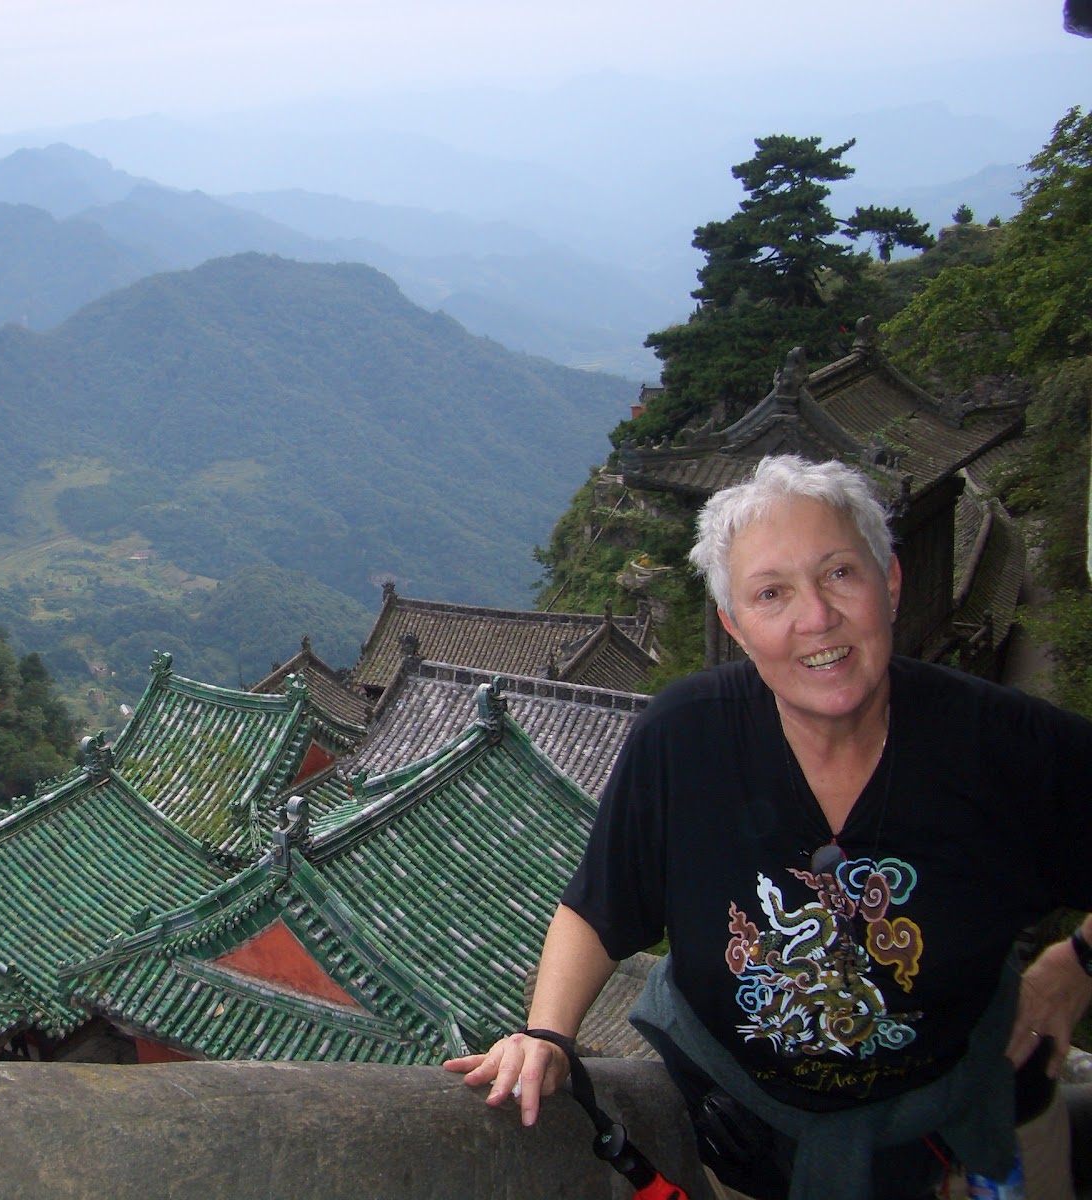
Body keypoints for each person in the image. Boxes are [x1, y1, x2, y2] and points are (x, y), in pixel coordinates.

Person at [447, 454, 1092, 1199]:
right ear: (737, 625)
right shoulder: (685, 738)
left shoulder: (1004, 746)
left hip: (976, 1133)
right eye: (771, 593)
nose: (815, 618)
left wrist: (1075, 964)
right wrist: (547, 1034)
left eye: (841, 574)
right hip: (753, 1149)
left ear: (890, 582)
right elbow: (600, 904)